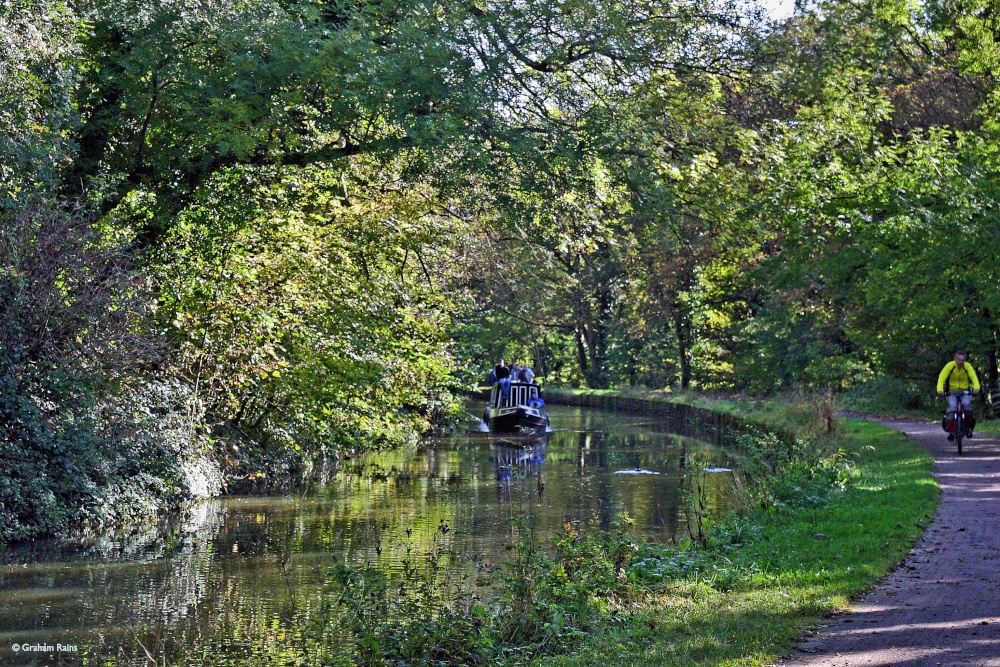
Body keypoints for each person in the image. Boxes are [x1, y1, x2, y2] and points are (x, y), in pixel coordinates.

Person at [937, 349, 980, 440]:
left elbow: (974, 377)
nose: (961, 362)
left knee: (967, 405)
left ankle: (968, 428)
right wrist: (940, 390)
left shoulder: (967, 366)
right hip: (951, 392)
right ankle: (951, 432)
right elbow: (942, 377)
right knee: (952, 408)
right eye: (959, 360)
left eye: (962, 360)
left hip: (965, 391)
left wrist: (976, 388)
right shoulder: (949, 366)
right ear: (955, 359)